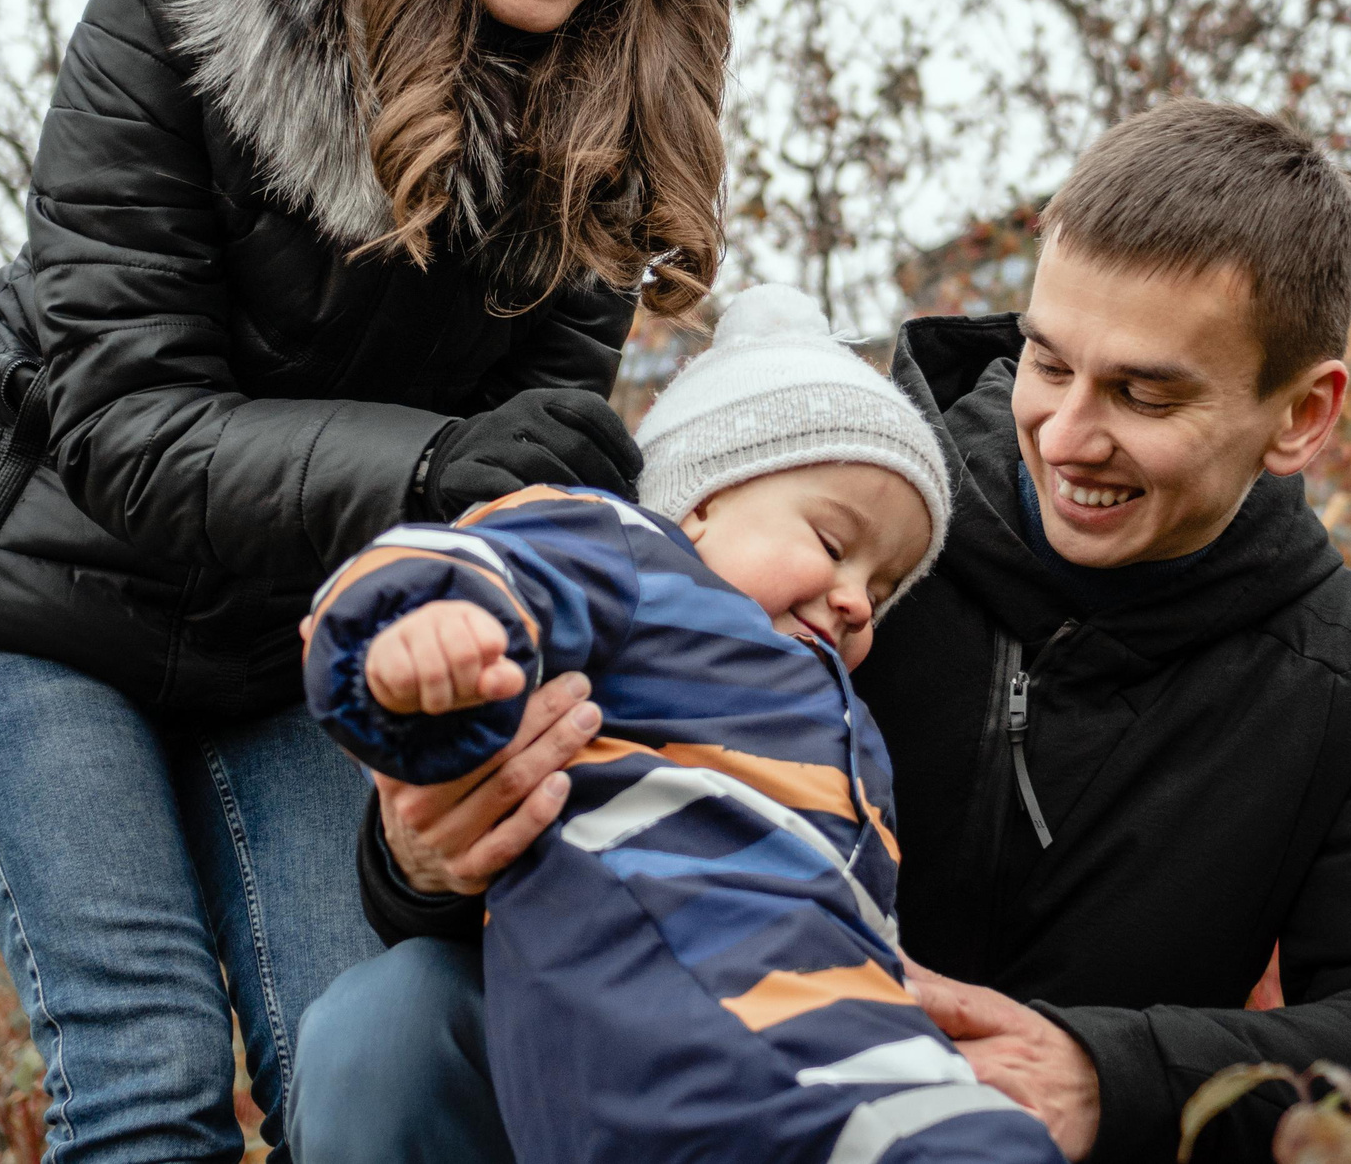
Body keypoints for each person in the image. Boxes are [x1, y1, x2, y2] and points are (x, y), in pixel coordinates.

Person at [0, 0, 730, 1162]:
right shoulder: (177, 11)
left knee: (350, 1042)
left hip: (299, 640)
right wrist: (431, 469)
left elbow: (534, 458)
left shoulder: (614, 135)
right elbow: (124, 422)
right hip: (41, 582)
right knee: (149, 1076)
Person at [290, 102, 1351, 1164]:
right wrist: (425, 857)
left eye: (1144, 393)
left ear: (1300, 415)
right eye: (1046, 360)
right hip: (683, 1082)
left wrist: (1108, 1076)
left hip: (1001, 1138)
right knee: (390, 1025)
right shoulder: (823, 513)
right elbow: (540, 774)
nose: (1068, 433)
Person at [302, 285, 1064, 1164]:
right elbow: (482, 557)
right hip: (663, 1020)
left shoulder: (847, 731)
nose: (857, 598)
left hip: (821, 1030)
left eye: (884, 590)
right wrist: (426, 637)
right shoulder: (630, 556)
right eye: (829, 541)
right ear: (699, 504)